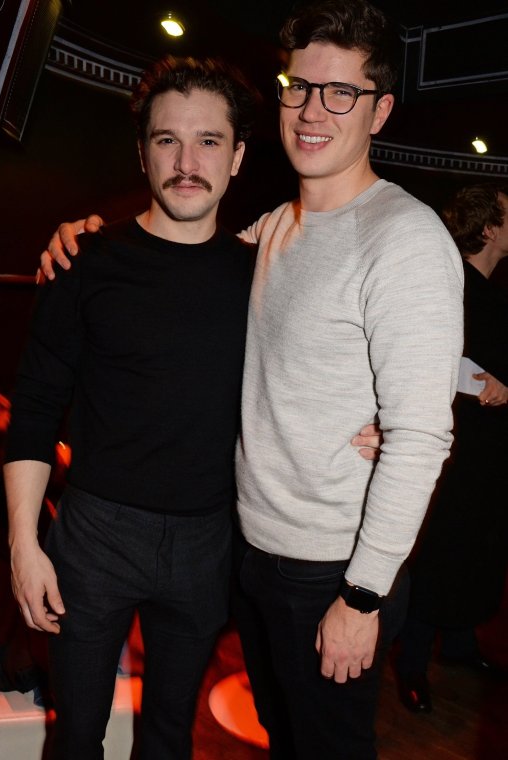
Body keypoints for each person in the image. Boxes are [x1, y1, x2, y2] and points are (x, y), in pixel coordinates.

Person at [42, 2, 463, 758]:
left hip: (335, 571)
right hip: (252, 556)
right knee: (283, 739)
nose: (312, 110)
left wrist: (362, 596)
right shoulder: (275, 228)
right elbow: (177, 253)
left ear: (382, 110)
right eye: (299, 87)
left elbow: (424, 429)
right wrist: (82, 238)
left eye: (342, 93)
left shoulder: (404, 237)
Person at [5, 56, 260, 760]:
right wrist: (25, 547)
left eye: (209, 141)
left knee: (169, 737)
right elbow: (33, 410)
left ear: (236, 158)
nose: (187, 161)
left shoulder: (263, 276)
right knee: (78, 733)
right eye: (167, 140)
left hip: (207, 542)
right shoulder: (83, 260)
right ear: (143, 153)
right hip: (94, 537)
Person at [396, 183, 508, 713]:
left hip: (486, 452)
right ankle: (411, 664)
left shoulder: (492, 289)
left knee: (476, 547)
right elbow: (422, 352)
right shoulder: (450, 283)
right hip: (451, 451)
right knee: (441, 552)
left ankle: (459, 645)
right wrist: (478, 380)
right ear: (488, 228)